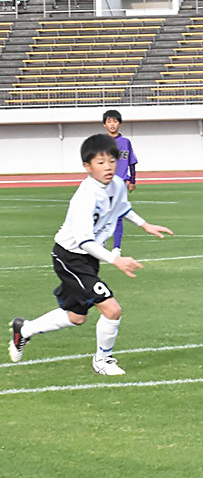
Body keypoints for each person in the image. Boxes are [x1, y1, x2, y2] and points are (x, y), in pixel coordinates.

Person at [8, 134, 173, 375]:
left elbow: (123, 208)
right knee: (112, 309)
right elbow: (85, 242)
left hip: (88, 258)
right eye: (100, 162)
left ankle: (24, 330)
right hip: (69, 257)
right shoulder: (84, 197)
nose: (107, 167)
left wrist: (145, 225)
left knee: (76, 316)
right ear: (87, 166)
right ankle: (102, 361)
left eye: (111, 161)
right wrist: (115, 259)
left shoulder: (116, 184)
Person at [103, 109, 139, 256]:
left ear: (120, 123)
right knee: (102, 212)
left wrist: (133, 180)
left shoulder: (125, 142)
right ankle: (101, 240)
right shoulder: (101, 142)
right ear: (104, 124)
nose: (112, 124)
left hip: (120, 183)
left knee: (118, 215)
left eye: (115, 121)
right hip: (104, 183)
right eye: (109, 121)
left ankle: (117, 248)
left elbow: (132, 162)